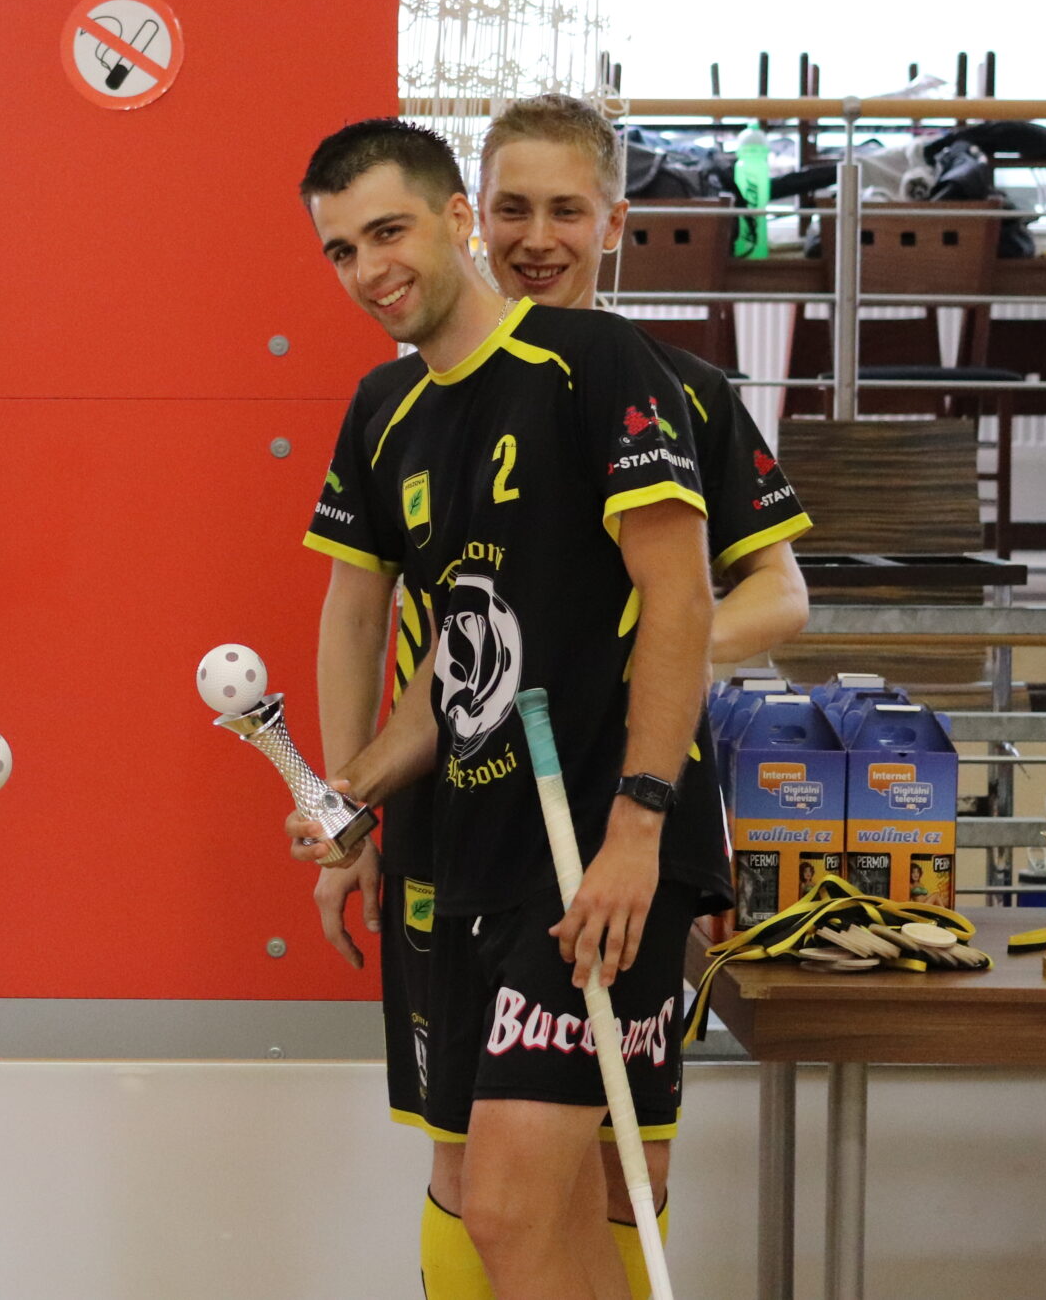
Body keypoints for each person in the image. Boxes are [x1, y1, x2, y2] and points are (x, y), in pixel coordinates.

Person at [309, 96, 812, 1300]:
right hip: (464, 822)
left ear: (612, 222)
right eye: (516, 209)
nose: (537, 237)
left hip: (605, 815)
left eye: (566, 210)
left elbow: (721, 597)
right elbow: (430, 642)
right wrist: (348, 800)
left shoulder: (635, 373)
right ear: (479, 215)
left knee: (589, 1176)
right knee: (478, 1182)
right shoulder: (397, 402)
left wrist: (629, 714)